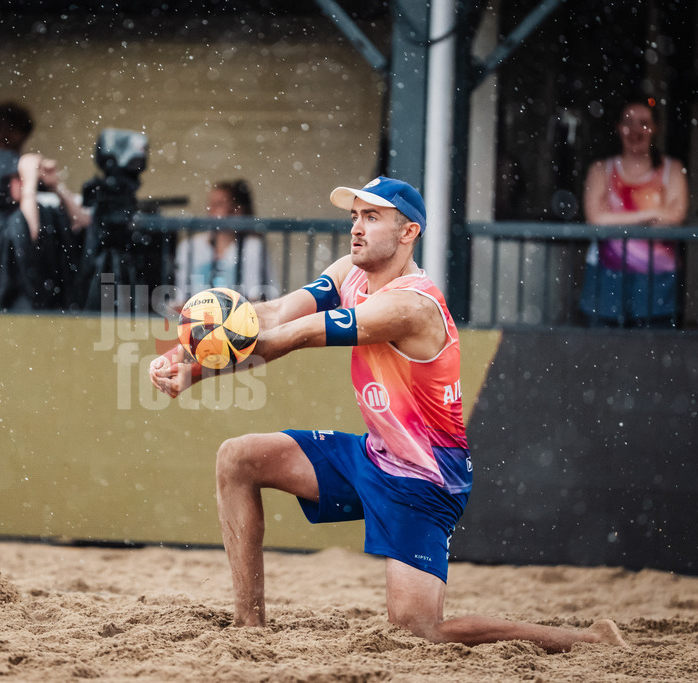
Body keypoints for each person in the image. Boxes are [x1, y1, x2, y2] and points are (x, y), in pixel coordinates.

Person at [150, 176, 627, 652]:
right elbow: (274, 314)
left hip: (424, 480)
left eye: (371, 217)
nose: (356, 228)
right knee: (238, 459)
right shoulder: (349, 272)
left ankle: (586, 639)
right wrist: (184, 348)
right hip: (374, 457)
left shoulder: (412, 306)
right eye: (355, 216)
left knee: (420, 630)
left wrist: (196, 368)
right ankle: (248, 628)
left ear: (408, 232)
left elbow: (298, 335)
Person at [0, 101, 90, 310]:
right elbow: (30, 230)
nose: (5, 134)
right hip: (1, 284)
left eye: (12, 127)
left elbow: (81, 221)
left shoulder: (18, 170)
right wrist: (28, 177)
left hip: (30, 285)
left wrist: (56, 186)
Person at [579, 97, 689, 327]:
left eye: (643, 123)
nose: (635, 130)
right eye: (628, 122)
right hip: (606, 278)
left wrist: (615, 219)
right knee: (603, 353)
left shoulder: (673, 169)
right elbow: (595, 218)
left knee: (654, 354)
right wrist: (649, 215)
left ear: (654, 128)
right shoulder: (601, 170)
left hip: (659, 281)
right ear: (619, 128)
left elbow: (675, 216)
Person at [174, 179, 275, 304]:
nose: (210, 209)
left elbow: (255, 295)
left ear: (237, 210)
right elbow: (181, 296)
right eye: (210, 204)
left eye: (219, 204)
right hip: (197, 316)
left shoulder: (252, 246)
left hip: (238, 317)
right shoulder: (190, 246)